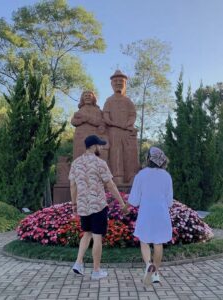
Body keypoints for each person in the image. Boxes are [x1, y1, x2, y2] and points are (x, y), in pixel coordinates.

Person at [69, 135, 128, 280]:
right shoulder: (100, 163)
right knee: (96, 237)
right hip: (98, 205)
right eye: (99, 145)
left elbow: (72, 185)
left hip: (83, 205)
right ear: (94, 146)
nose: (101, 147)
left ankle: (78, 263)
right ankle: (96, 271)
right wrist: (121, 203)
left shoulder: (76, 163)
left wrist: (74, 204)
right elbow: (110, 185)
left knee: (87, 233)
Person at [127, 147, 173, 286]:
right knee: (158, 243)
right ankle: (156, 273)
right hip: (161, 212)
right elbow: (169, 201)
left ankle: (148, 264)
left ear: (148, 159)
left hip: (146, 212)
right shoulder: (166, 176)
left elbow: (134, 200)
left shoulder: (141, 175)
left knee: (144, 240)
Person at [103, 70, 139, 184]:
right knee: (116, 152)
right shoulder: (109, 101)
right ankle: (117, 177)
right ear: (112, 84)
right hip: (113, 132)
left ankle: (132, 176)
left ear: (125, 83)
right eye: (116, 80)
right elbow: (106, 118)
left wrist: (128, 125)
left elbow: (133, 115)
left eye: (121, 80)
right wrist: (119, 125)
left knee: (130, 152)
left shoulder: (128, 101)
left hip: (127, 131)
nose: (118, 82)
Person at [71, 91, 104, 159]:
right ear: (82, 98)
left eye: (89, 95)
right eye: (85, 96)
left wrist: (86, 118)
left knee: (93, 155)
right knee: (79, 155)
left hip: (93, 135)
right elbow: (73, 122)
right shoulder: (80, 110)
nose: (87, 97)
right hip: (80, 137)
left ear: (93, 98)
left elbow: (99, 122)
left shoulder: (97, 111)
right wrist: (82, 120)